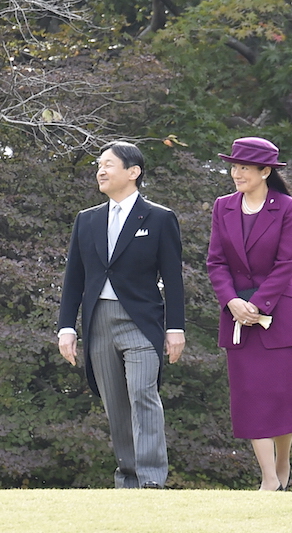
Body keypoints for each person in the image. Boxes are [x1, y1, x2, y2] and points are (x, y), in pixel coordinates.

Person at [57, 141, 185, 489]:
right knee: (115, 404)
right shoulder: (87, 220)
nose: (100, 170)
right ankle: (127, 478)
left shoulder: (160, 218)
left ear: (133, 172)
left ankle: (152, 479)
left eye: (109, 165)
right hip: (98, 322)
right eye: (99, 165)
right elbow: (74, 279)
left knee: (144, 395)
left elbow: (173, 279)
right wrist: (66, 327)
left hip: (142, 322)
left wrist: (175, 328)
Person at [207, 137, 292, 491]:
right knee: (250, 398)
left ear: (266, 171)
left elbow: (288, 262)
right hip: (237, 319)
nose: (236, 173)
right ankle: (269, 479)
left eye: (244, 168)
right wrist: (232, 301)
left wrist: (259, 304)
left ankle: (283, 461)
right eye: (234, 167)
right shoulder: (223, 206)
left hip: (280, 316)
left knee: (282, 398)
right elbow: (216, 261)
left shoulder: (287, 207)